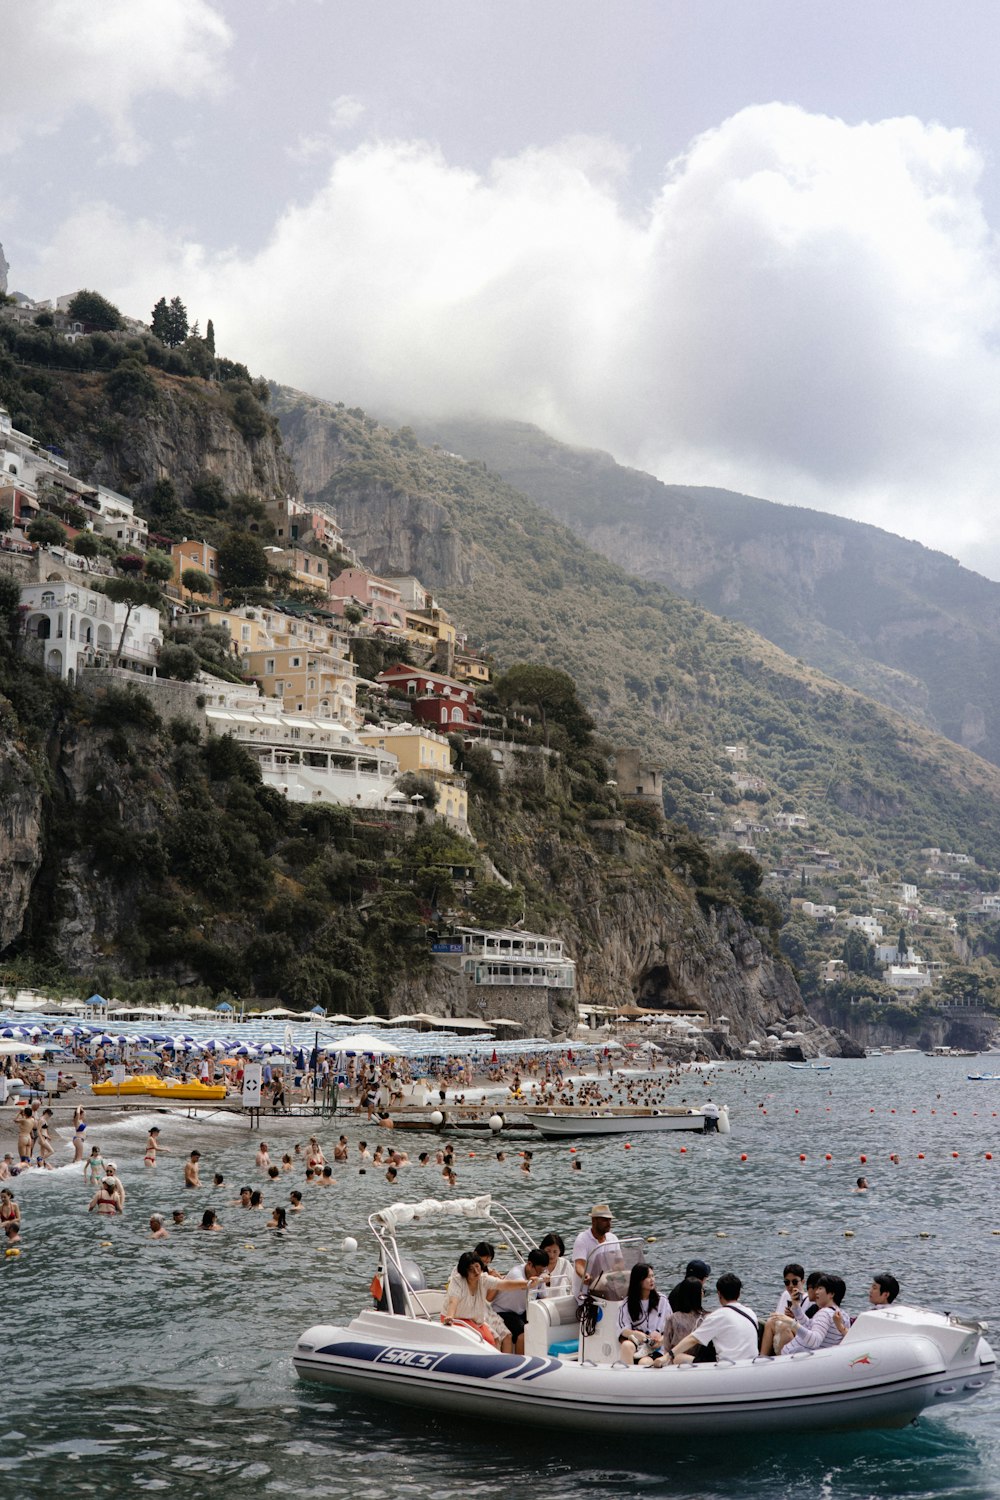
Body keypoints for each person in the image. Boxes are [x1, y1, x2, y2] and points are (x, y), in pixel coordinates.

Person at [440, 1250, 528, 1352]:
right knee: (483, 1341)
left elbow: (504, 1284)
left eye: (477, 1267)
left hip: (474, 1319)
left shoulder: (484, 1279)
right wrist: (450, 1316)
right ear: (464, 1271)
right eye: (471, 1269)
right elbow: (453, 1301)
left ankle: (497, 1364)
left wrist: (527, 1284)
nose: (476, 1272)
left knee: (493, 1341)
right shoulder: (457, 1281)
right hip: (456, 1318)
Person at [671, 1273, 759, 1365]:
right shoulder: (750, 1313)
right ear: (739, 1294)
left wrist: (669, 1355)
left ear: (719, 1294)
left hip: (728, 1367)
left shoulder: (717, 1316)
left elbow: (693, 1339)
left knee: (678, 1358)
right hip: (751, 1364)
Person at [491, 1248, 551, 1353]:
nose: (539, 1274)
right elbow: (524, 1285)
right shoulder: (516, 1273)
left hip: (521, 1311)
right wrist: (540, 1279)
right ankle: (521, 1362)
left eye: (542, 1271)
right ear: (529, 1264)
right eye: (538, 1271)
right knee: (523, 1334)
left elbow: (544, 1297)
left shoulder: (538, 1276)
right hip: (503, 1311)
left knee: (541, 1324)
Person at [617, 1263, 668, 1366]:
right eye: (648, 1277)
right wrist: (639, 1335)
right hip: (639, 1346)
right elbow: (623, 1330)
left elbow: (670, 1328)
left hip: (658, 1347)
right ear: (638, 1280)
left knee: (644, 1362)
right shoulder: (627, 1304)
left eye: (653, 1276)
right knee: (626, 1345)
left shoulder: (662, 1300)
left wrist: (659, 1341)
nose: (652, 1279)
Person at [662, 1274, 705, 1351]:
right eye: (702, 1291)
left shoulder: (673, 1318)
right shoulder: (707, 1317)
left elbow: (666, 1346)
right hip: (703, 1360)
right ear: (699, 1295)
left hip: (675, 1359)